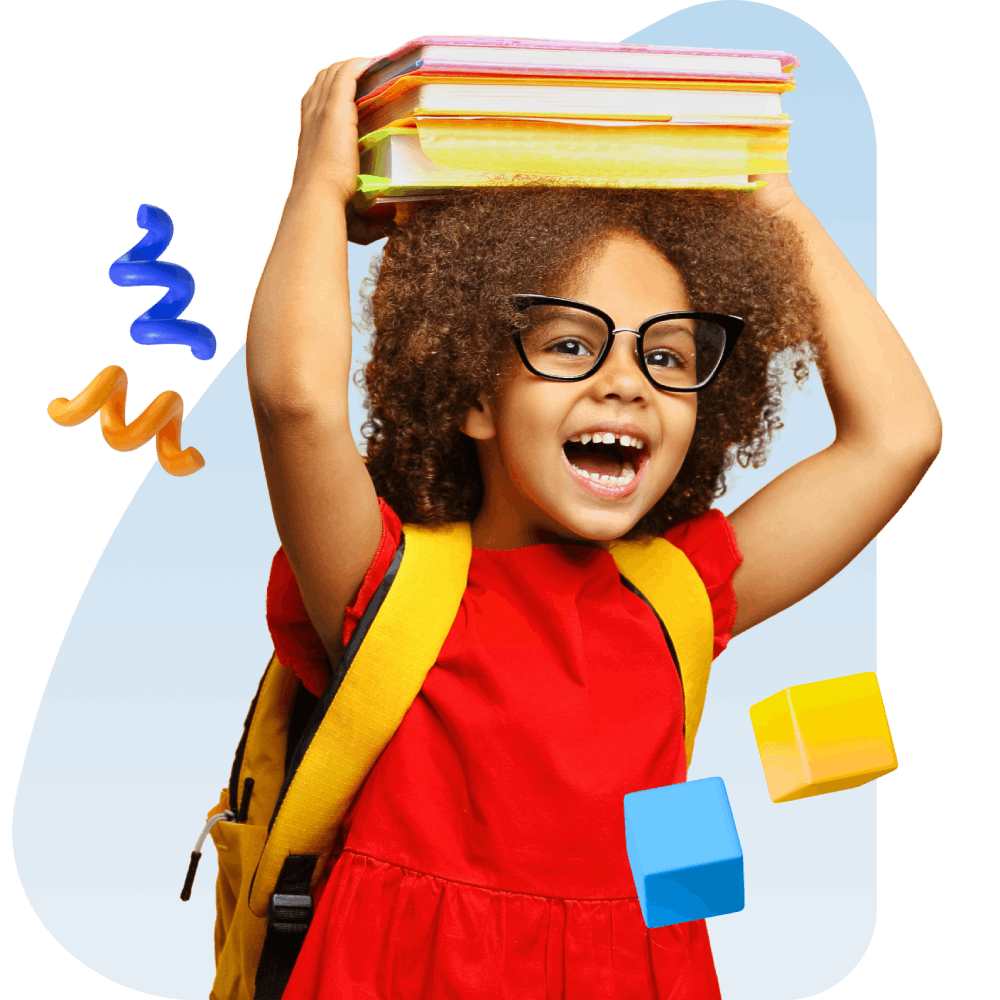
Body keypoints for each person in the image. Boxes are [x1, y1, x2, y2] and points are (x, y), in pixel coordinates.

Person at [245, 57, 940, 1000]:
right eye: (571, 344)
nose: (627, 383)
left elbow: (900, 437)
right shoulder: (385, 583)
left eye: (669, 356)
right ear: (473, 394)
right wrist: (319, 191)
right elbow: (295, 403)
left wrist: (767, 199)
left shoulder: (680, 591)